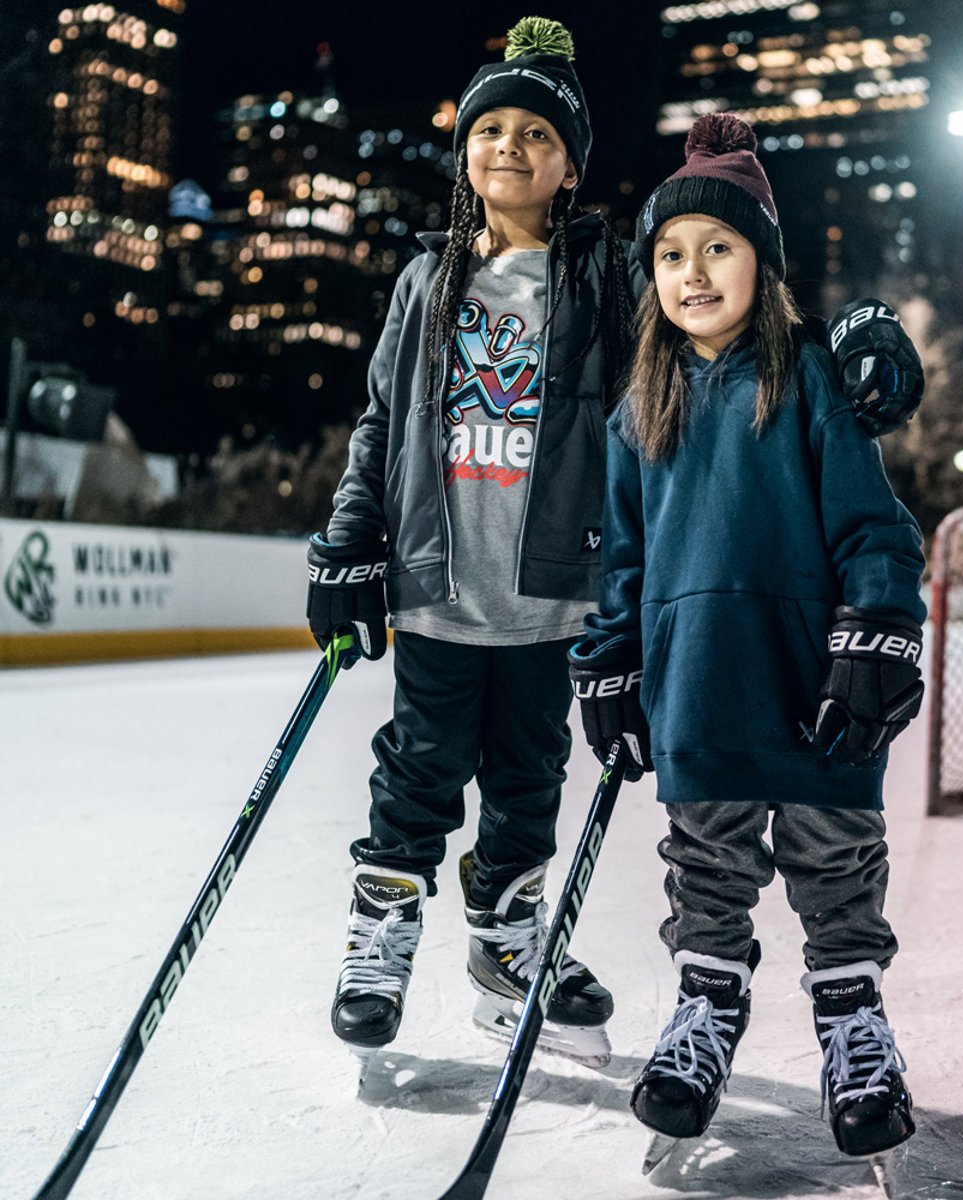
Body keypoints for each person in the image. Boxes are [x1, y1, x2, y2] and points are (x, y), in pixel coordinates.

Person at [568, 112, 926, 1159]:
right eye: (671, 255)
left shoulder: (812, 379)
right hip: (700, 686)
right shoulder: (637, 412)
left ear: (763, 263)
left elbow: (876, 530)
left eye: (717, 247)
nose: (692, 271)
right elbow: (621, 563)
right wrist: (607, 664)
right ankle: (705, 1010)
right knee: (707, 864)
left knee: (834, 862)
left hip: (814, 683)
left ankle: (854, 1023)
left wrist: (877, 635)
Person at [305, 16, 635, 1068]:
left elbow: (649, 415)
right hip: (440, 591)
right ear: (464, 154)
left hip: (552, 597)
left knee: (530, 778)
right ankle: (382, 939)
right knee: (419, 771)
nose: (508, 147)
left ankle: (505, 946)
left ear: (569, 165)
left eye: (536, 134)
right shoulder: (424, 282)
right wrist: (349, 545)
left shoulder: (603, 285)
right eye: (489, 128)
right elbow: (380, 422)